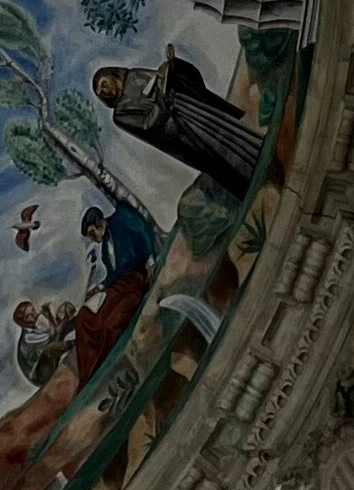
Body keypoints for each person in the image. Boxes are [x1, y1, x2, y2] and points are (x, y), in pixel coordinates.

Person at [92, 52, 264, 200]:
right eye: (101, 92)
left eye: (104, 84)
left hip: (185, 107)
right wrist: (161, 98)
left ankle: (253, 150)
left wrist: (166, 71)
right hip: (176, 132)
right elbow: (147, 125)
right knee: (212, 155)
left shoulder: (134, 75)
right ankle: (250, 178)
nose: (105, 90)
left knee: (220, 129)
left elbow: (159, 81)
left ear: (112, 75)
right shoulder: (120, 114)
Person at [72, 198, 157, 377]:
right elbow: (114, 274)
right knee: (84, 319)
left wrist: (150, 263)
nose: (93, 238)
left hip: (134, 281)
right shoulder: (104, 249)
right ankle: (88, 371)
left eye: (91, 232)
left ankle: (100, 368)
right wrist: (99, 287)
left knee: (110, 324)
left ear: (98, 223)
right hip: (118, 286)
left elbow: (142, 232)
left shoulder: (120, 218)